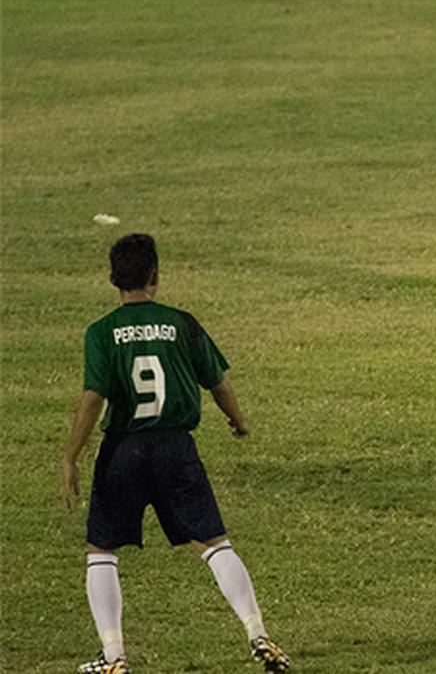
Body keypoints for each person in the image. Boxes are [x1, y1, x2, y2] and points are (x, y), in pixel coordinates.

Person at [61, 234, 290, 674]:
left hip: (124, 450)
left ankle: (114, 658)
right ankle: (257, 632)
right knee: (214, 543)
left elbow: (93, 398)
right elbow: (218, 382)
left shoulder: (101, 332)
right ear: (155, 276)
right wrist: (238, 421)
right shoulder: (182, 323)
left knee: (101, 549)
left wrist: (71, 455)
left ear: (113, 278)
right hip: (176, 448)